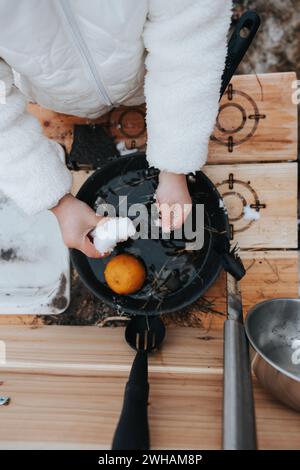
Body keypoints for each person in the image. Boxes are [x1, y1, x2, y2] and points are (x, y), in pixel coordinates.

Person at [0, 0, 232, 258]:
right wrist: (57, 203)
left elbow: (188, 39)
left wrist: (175, 164)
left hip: (148, 78)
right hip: (56, 98)